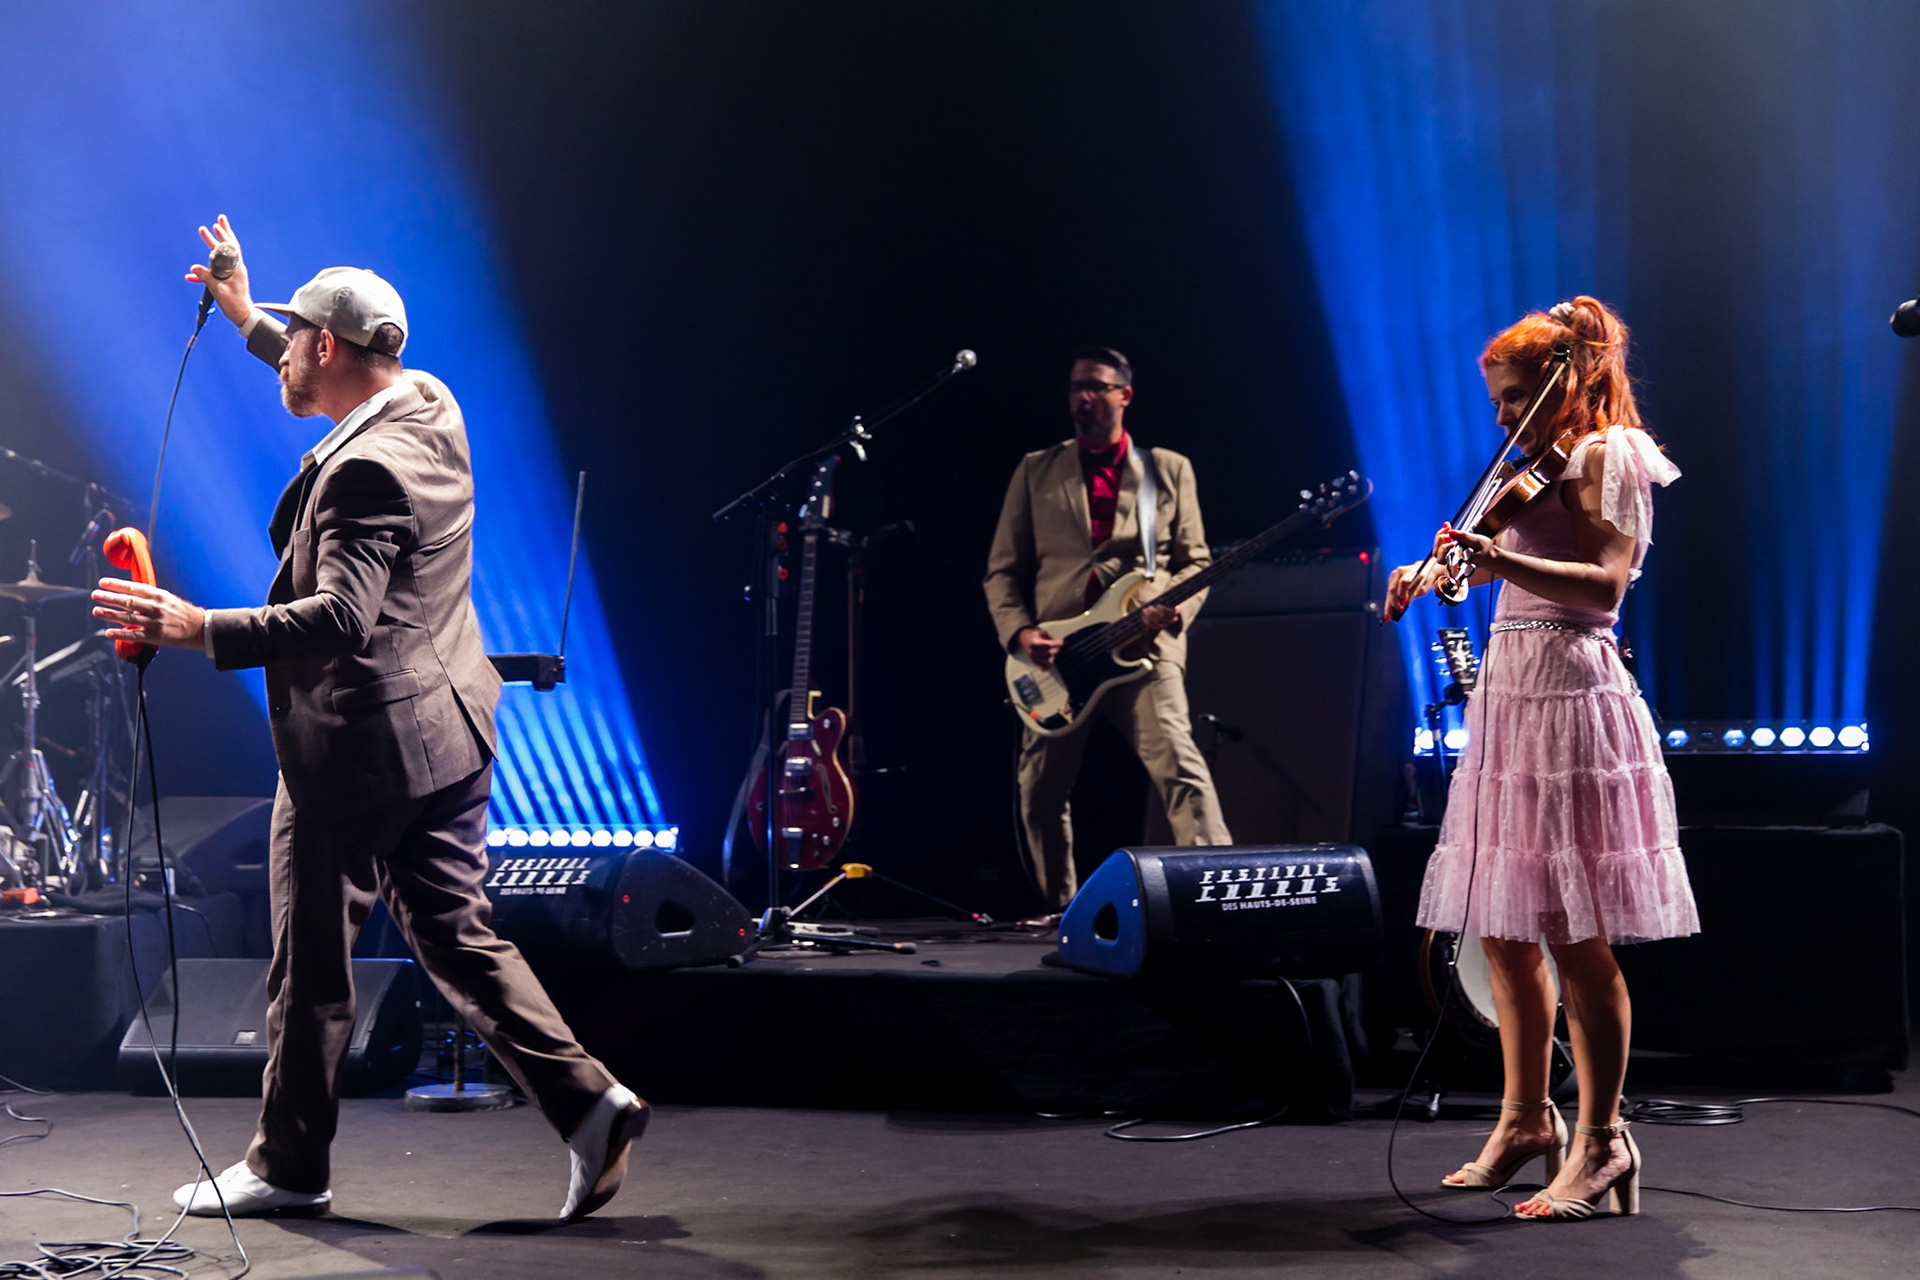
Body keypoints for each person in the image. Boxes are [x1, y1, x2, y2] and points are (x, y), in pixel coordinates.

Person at [92, 216, 647, 1221]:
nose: (284, 355)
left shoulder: (361, 472)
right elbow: (332, 367)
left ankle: (289, 1164)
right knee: (458, 935)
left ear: (330, 349)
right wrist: (247, 317)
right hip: (449, 729)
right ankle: (589, 1100)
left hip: (356, 750)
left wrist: (195, 624)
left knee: (309, 962)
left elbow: (341, 617)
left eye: (294, 339)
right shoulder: (429, 402)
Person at [1386, 296, 1698, 1221]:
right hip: (1514, 697)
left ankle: (1602, 1138)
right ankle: (1527, 1120)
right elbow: (1499, 558)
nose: (1503, 420)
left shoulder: (1611, 455)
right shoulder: (1535, 468)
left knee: (1574, 929)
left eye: (1516, 398)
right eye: (1496, 403)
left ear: (1572, 379)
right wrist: (1436, 568)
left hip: (1573, 693)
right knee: (1502, 922)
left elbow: (1603, 585)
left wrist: (1493, 556)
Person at [984, 346, 1232, 914]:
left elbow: (1197, 562)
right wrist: (1021, 634)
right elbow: (1001, 571)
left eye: (1096, 386)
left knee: (1182, 770)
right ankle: (1060, 914)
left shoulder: (1167, 470)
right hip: (1057, 657)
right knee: (1039, 793)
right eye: (1076, 387)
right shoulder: (1035, 468)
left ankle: (1221, 902)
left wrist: (1169, 610)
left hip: (1144, 650)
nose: (1083, 398)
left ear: (1125, 395)